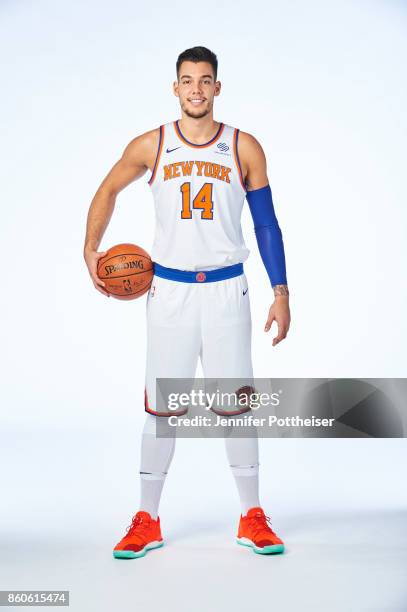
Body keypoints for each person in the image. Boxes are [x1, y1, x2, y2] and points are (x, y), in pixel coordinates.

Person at [83, 46, 290, 559]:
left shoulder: (244, 147)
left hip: (227, 290)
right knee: (163, 409)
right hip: (169, 291)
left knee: (237, 408)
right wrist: (91, 250)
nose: (196, 89)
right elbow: (107, 189)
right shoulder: (152, 145)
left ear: (217, 88)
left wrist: (281, 292)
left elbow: (265, 224)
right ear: (174, 88)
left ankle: (252, 515)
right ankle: (147, 519)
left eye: (205, 80)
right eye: (187, 81)